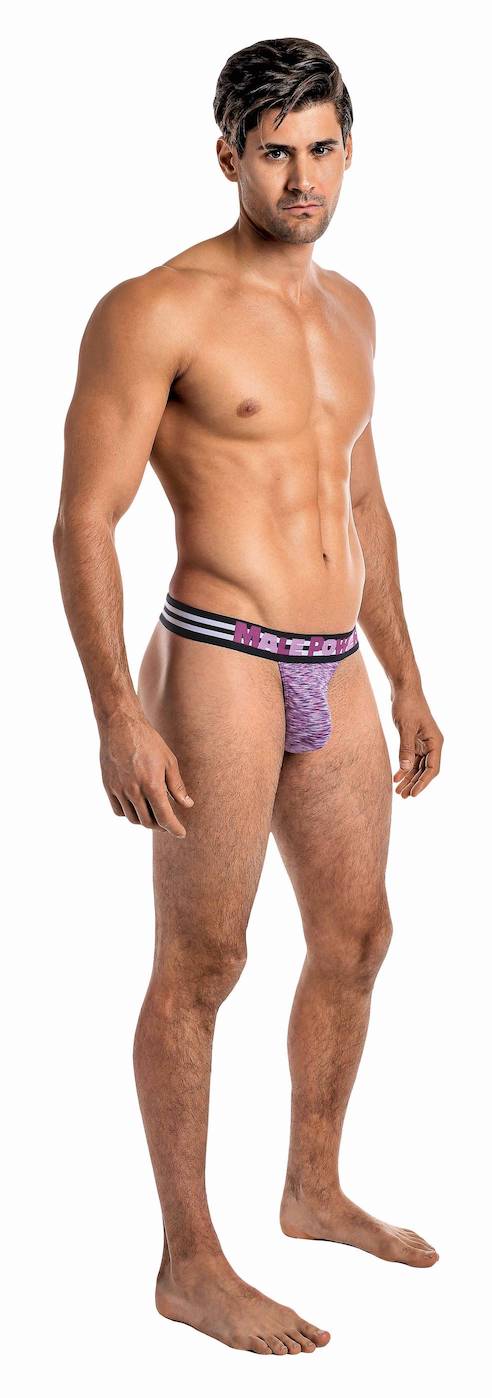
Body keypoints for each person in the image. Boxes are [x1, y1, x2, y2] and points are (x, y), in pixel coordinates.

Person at [53, 36, 443, 1356]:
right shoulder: (153, 308)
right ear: (228, 155)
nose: (301, 178)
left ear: (351, 151)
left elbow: (365, 504)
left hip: (338, 663)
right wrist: (116, 710)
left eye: (322, 149)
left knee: (359, 938)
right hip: (220, 654)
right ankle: (189, 1261)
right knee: (205, 962)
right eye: (275, 152)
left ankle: (312, 1188)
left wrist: (409, 675)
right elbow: (83, 521)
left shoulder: (354, 313)